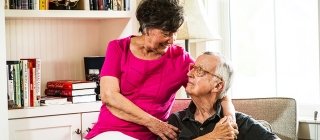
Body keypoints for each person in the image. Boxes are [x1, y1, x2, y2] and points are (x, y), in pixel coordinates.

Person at [85, 0, 236, 139]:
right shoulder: (118, 48)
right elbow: (109, 96)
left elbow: (215, 85)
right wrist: (152, 123)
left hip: (156, 136)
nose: (172, 40)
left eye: (175, 32)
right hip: (112, 131)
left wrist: (230, 117)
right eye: (166, 33)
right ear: (147, 29)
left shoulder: (180, 59)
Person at [166, 52, 280, 140]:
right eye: (193, 68)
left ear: (218, 85)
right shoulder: (176, 121)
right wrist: (212, 137)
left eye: (199, 70)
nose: (189, 74)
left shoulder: (238, 122)